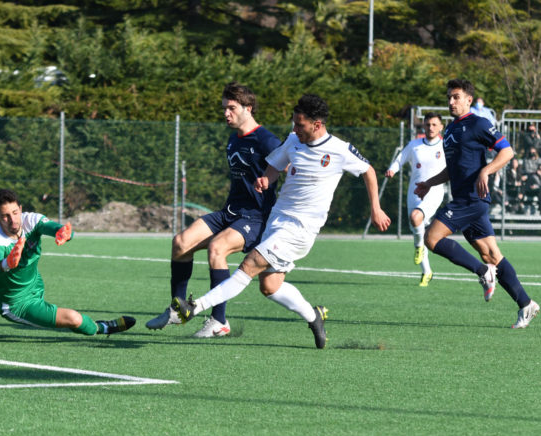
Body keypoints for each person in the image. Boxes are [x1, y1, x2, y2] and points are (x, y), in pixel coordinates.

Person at [170, 94, 391, 349]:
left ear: (317, 124)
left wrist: (376, 208)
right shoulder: (293, 140)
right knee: (270, 286)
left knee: (250, 264)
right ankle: (314, 317)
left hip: (301, 228)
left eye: (300, 124)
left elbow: (368, 171)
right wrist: (267, 179)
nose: (295, 129)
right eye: (294, 123)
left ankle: (196, 307)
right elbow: (275, 165)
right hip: (277, 220)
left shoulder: (339, 149)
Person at [145, 82, 283, 338]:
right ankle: (177, 309)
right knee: (180, 243)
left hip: (255, 217)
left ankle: (219, 321)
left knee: (217, 248)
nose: (226, 113)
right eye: (224, 108)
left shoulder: (267, 140)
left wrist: (271, 181)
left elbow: (288, 165)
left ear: (248, 108)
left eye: (232, 108)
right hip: (229, 212)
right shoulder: (233, 139)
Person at [414, 79, 538, 329]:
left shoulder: (478, 123)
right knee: (491, 254)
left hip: (471, 199)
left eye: (456, 97)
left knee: (431, 238)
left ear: (469, 100)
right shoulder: (450, 129)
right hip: (465, 199)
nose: (451, 102)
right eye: (449, 97)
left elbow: (507, 151)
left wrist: (486, 171)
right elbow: (453, 169)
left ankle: (483, 271)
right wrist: (429, 183)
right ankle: (526, 304)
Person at [0, 189, 136, 336]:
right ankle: (101, 327)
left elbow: (53, 227)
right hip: (17, 304)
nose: (13, 220)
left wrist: (63, 232)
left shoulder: (30, 220)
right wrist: (7, 263)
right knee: (73, 319)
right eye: (5, 216)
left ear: (20, 209)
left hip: (34, 285)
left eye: (15, 212)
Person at [385, 112, 446, 287]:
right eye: (428, 124)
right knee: (417, 229)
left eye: (434, 124)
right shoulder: (415, 145)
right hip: (414, 192)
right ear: (423, 126)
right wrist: (392, 169)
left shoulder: (445, 146)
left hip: (434, 192)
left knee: (416, 218)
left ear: (441, 127)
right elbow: (400, 159)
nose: (431, 128)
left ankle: (419, 248)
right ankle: (427, 272)